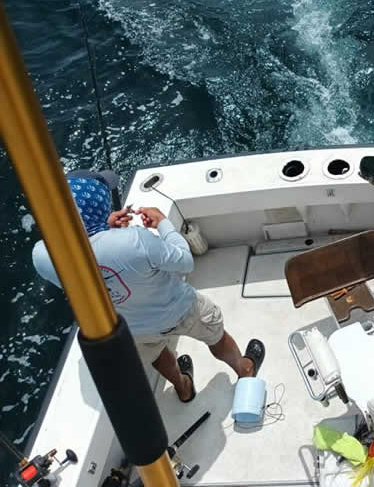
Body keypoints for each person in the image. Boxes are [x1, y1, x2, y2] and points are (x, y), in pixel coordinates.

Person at [32, 170, 265, 403]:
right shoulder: (135, 240)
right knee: (217, 337)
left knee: (158, 354)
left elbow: (84, 248)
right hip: (182, 310)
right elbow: (185, 261)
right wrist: (163, 223)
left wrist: (103, 228)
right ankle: (244, 369)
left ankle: (183, 388)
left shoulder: (42, 257)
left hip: (133, 328)